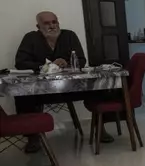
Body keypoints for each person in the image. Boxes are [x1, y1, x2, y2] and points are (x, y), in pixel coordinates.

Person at [13, 11, 113, 152]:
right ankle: (33, 137)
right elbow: (20, 63)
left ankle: (100, 128)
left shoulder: (69, 36)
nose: (52, 26)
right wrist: (48, 65)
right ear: (38, 26)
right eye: (47, 23)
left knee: (98, 87)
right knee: (22, 95)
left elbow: (82, 61)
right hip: (43, 91)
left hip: (71, 88)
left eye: (54, 22)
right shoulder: (30, 38)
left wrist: (66, 63)